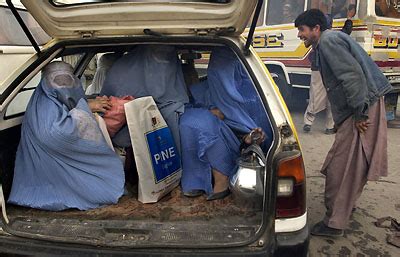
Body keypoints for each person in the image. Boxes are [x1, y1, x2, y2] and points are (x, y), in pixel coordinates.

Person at [295, 9, 392, 237]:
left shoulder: (328, 42)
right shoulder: (328, 41)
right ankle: (345, 208)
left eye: (302, 30)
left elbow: (352, 77)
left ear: (316, 29)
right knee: (351, 162)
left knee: (342, 167)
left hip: (363, 107)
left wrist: (359, 114)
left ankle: (334, 223)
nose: (300, 35)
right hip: (361, 105)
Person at [8, 61, 125, 211]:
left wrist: (87, 103)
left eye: (67, 80)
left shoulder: (50, 96)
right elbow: (55, 133)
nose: (63, 85)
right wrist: (86, 108)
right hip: (48, 163)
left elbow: (70, 105)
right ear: (45, 82)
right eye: (57, 80)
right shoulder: (44, 105)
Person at [179, 47, 272, 201]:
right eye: (216, 71)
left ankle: (222, 180)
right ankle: (198, 181)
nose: (220, 76)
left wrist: (248, 138)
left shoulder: (255, 96)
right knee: (194, 122)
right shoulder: (205, 90)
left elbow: (265, 138)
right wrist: (209, 113)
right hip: (218, 135)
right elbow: (189, 107)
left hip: (245, 149)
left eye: (225, 70)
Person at [100, 45, 189, 150]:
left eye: (167, 60)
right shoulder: (121, 74)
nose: (163, 65)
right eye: (157, 58)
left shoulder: (182, 111)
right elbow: (109, 111)